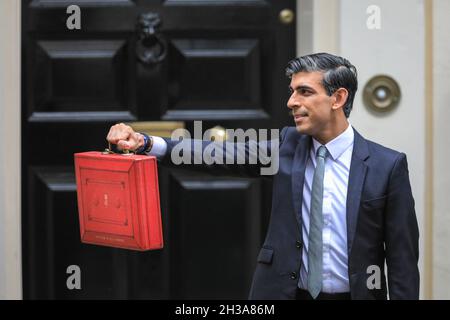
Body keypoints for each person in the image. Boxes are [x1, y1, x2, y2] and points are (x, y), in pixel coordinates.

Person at [106, 53, 419, 300]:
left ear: (338, 98)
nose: (291, 102)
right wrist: (148, 143)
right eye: (292, 91)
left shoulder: (386, 166)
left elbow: (403, 261)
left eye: (305, 92)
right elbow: (218, 155)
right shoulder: (287, 144)